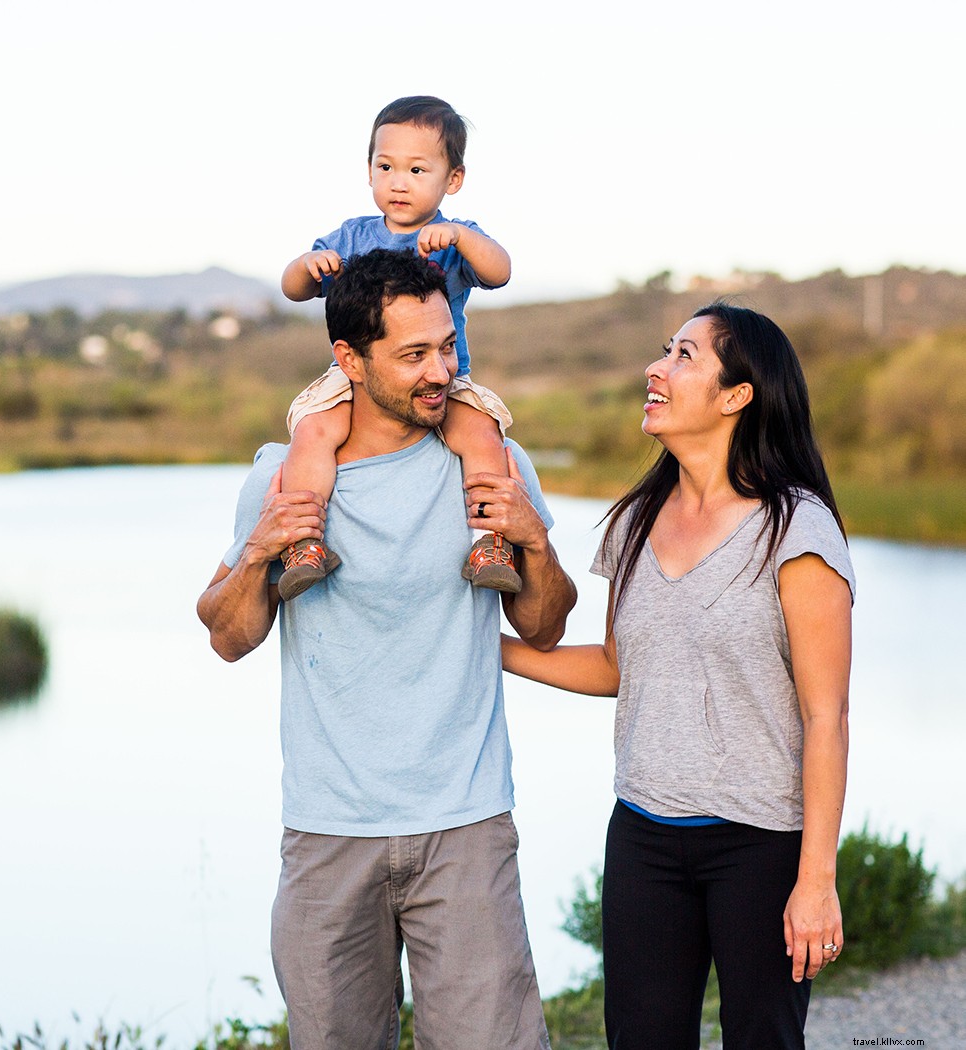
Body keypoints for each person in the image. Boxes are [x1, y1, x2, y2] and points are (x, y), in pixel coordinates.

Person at [197, 249, 576, 1048]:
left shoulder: (497, 464)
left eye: (447, 347)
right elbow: (229, 636)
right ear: (349, 360)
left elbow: (543, 628)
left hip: (466, 825)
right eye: (412, 355)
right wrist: (262, 550)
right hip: (329, 830)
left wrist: (533, 541)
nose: (439, 371)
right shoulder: (282, 478)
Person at [502, 303, 854, 1049]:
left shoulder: (797, 529)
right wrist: (487, 649)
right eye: (665, 350)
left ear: (737, 395)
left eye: (685, 356)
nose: (655, 370)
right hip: (644, 837)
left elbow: (827, 717)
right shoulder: (636, 519)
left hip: (760, 845)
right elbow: (614, 668)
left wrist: (815, 881)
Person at [275, 95, 520, 600]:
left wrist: (459, 236)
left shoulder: (455, 237)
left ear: (453, 180)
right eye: (385, 166)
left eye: (417, 169)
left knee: (479, 434)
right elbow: (292, 288)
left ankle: (491, 541)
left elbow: (500, 272)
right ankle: (302, 541)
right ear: (368, 171)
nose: (399, 181)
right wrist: (307, 267)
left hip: (444, 378)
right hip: (360, 378)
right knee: (314, 429)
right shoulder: (351, 237)